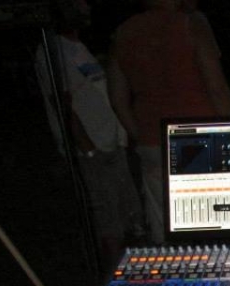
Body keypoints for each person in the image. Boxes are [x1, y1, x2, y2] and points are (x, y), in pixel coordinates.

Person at [108, 0, 230, 244]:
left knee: (164, 223)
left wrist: (140, 134)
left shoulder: (123, 33)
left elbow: (117, 98)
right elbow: (216, 87)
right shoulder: (190, 25)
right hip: (200, 134)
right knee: (211, 219)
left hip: (152, 139)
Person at [34, 0, 144, 270]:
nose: (85, 10)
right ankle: (111, 275)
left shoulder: (78, 47)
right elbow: (61, 102)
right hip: (92, 149)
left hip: (111, 142)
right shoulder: (52, 51)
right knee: (106, 217)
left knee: (126, 210)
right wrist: (87, 147)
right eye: (76, 6)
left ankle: (131, 271)